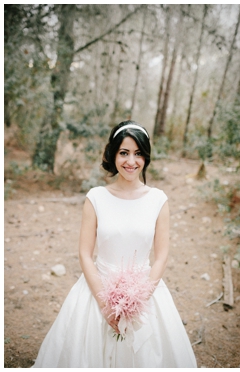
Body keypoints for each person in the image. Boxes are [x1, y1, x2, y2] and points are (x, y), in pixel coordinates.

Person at [33, 121, 197, 367]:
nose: (131, 161)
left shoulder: (158, 200)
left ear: (146, 157)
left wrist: (138, 300)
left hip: (144, 292)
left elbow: (161, 256)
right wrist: (104, 303)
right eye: (124, 153)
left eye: (138, 153)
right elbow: (85, 254)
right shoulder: (96, 197)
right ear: (113, 155)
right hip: (97, 290)